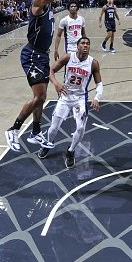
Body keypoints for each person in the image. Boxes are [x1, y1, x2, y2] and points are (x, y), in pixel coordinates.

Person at [4, 0, 82, 152]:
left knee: (42, 97)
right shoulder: (36, 2)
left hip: (42, 56)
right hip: (31, 55)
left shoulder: (48, 6)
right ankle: (13, 129)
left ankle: (36, 132)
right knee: (39, 97)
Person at [38, 37, 103, 166]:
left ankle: (71, 150)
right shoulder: (68, 57)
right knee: (54, 127)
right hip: (65, 96)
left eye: (88, 44)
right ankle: (47, 144)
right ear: (77, 46)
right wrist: (56, 83)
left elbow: (99, 84)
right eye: (83, 43)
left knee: (80, 128)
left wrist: (97, 98)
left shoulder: (93, 63)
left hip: (80, 98)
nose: (86, 45)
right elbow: (50, 71)